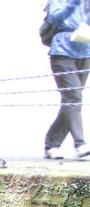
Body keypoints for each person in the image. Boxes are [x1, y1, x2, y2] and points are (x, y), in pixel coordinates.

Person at [43, 0, 90, 159]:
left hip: (85, 51)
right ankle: (80, 144)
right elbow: (55, 20)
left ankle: (52, 145)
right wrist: (73, 4)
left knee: (72, 102)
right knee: (73, 98)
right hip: (62, 53)